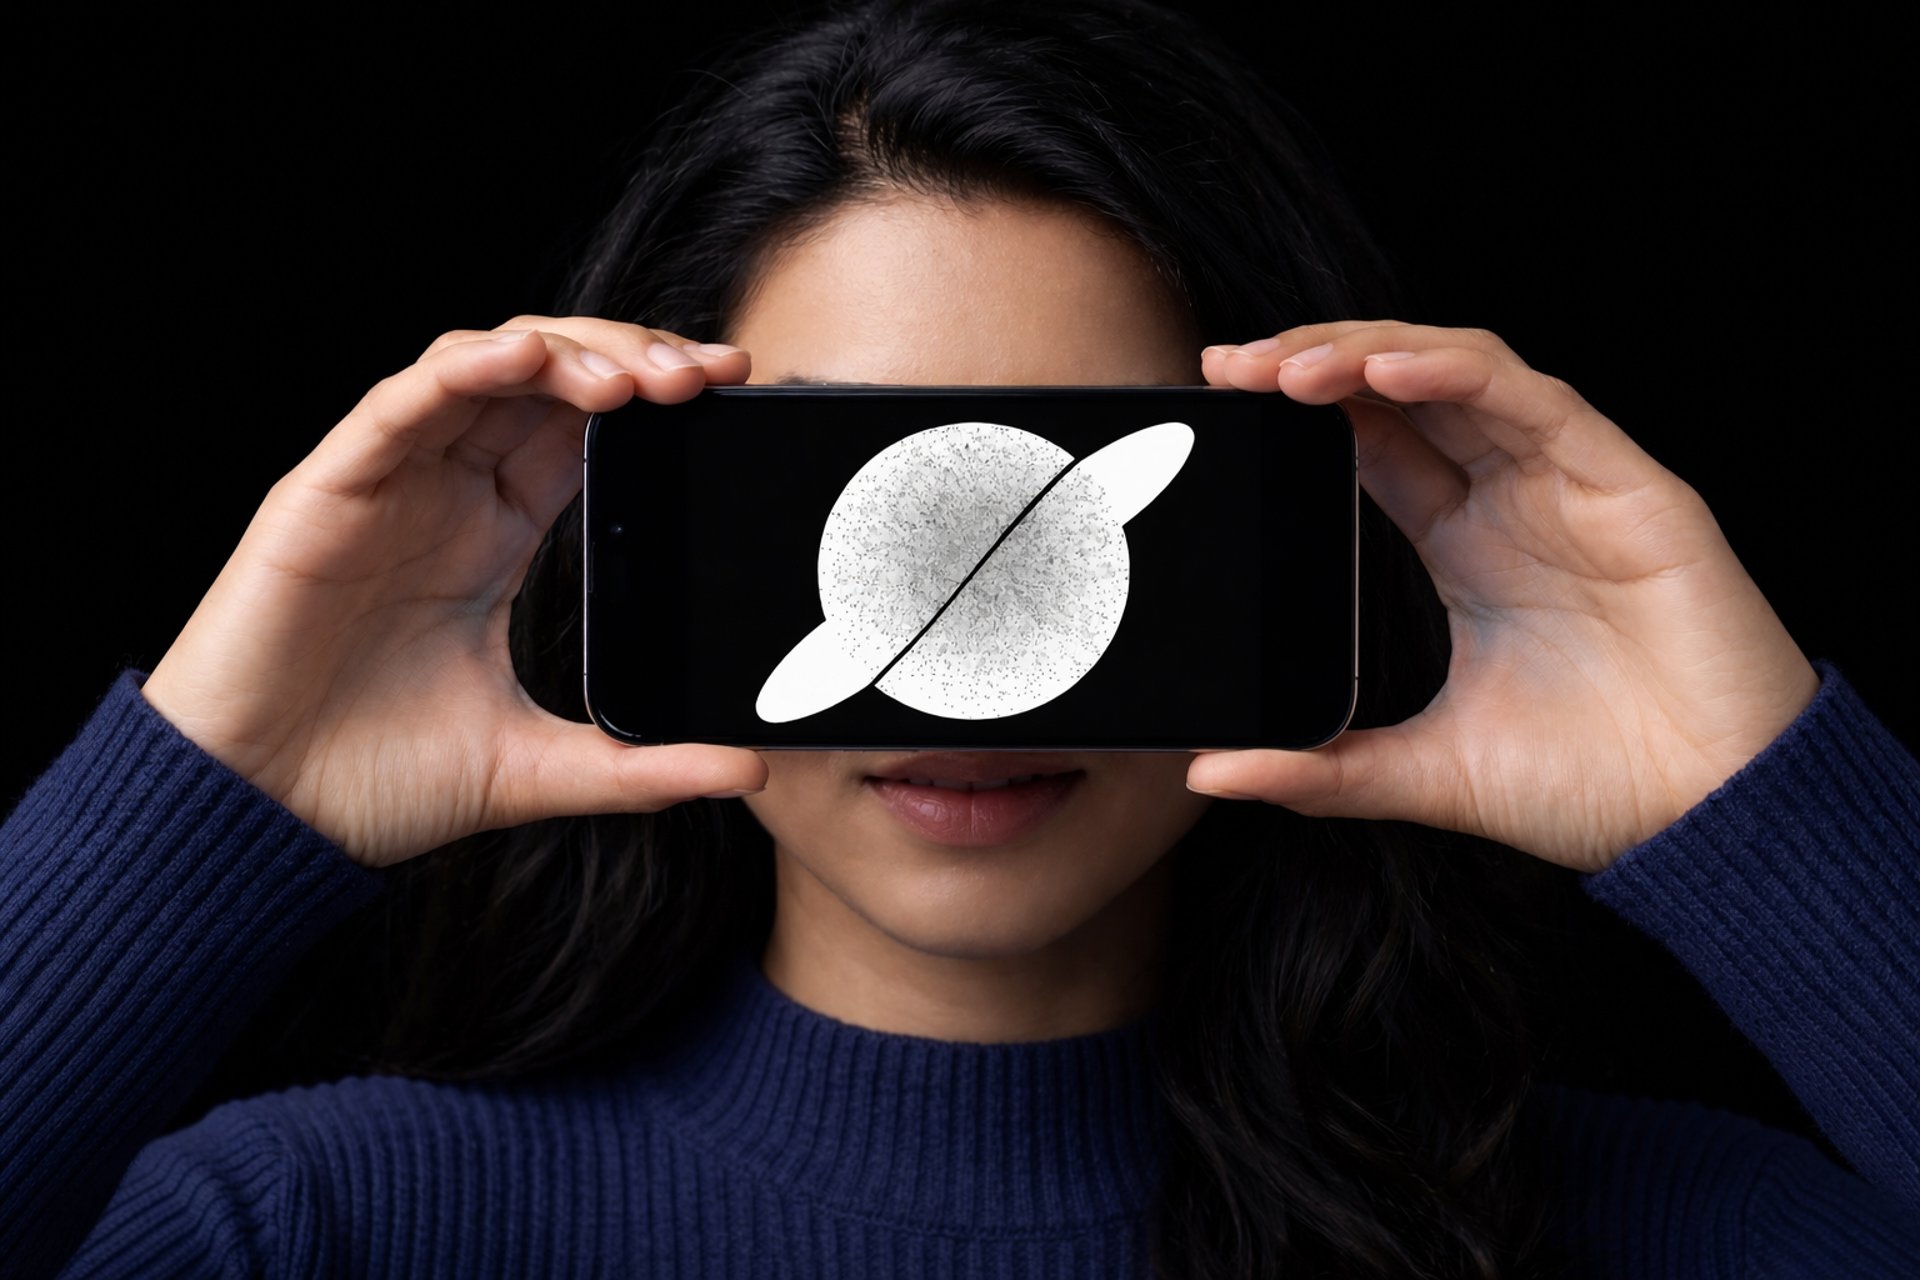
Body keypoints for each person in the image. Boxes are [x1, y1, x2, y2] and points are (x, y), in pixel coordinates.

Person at [3, 1, 1915, 1276]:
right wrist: (209, 794)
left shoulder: (1680, 1231)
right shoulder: (318, 1231)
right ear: (648, 523)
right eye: (848, 489)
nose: (957, 660)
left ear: (1278, 516)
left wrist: (1757, 810)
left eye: (1070, 502)